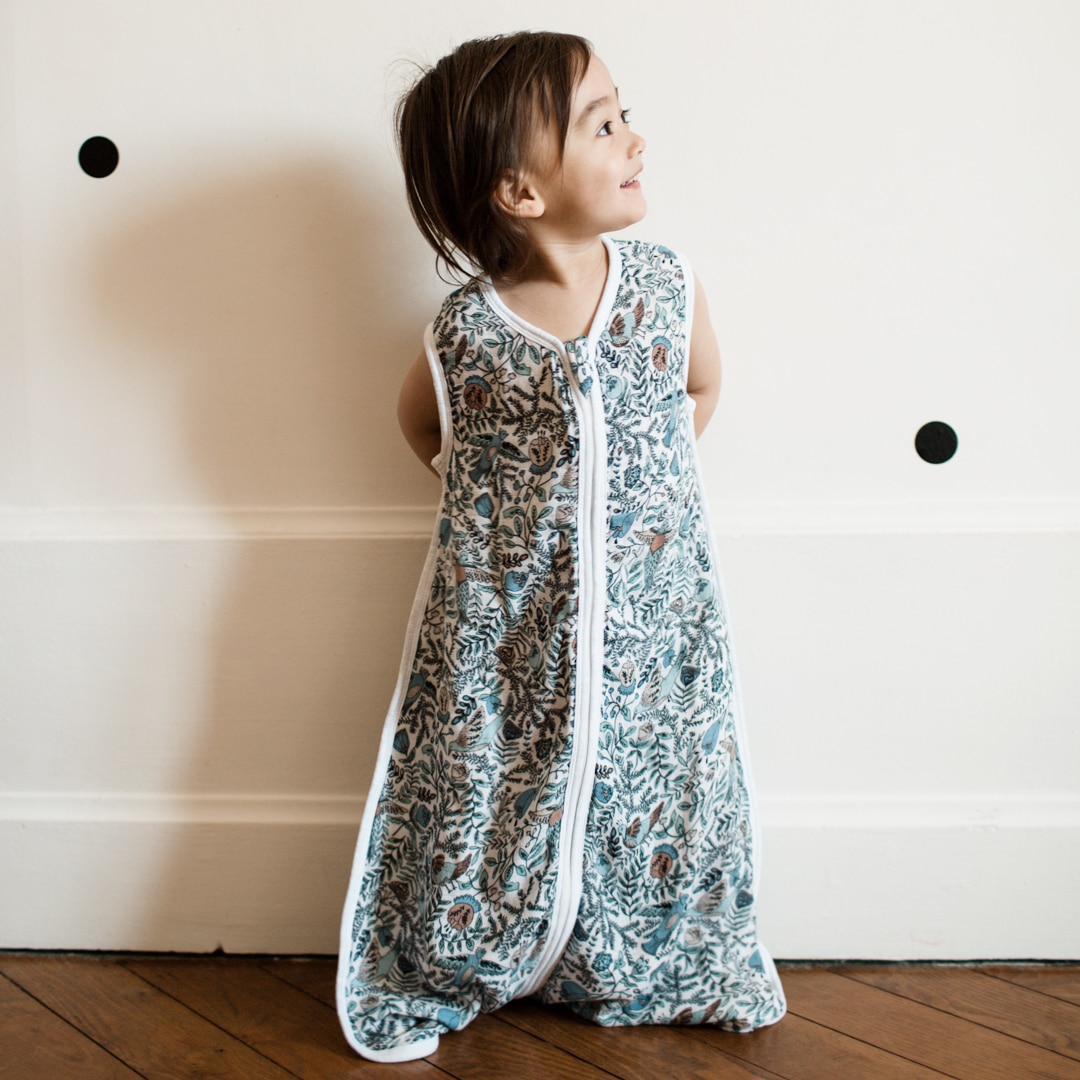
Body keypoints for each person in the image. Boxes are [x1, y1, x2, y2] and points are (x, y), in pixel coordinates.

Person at [337, 30, 787, 1063]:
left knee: (648, 779)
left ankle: (627, 956)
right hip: (511, 624)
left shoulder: (664, 287)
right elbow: (423, 424)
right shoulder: (468, 332)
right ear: (521, 192)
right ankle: (493, 947)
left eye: (624, 114)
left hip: (653, 616)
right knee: (504, 779)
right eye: (603, 125)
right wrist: (501, 514)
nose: (635, 139)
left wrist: (639, 490)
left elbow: (699, 385)